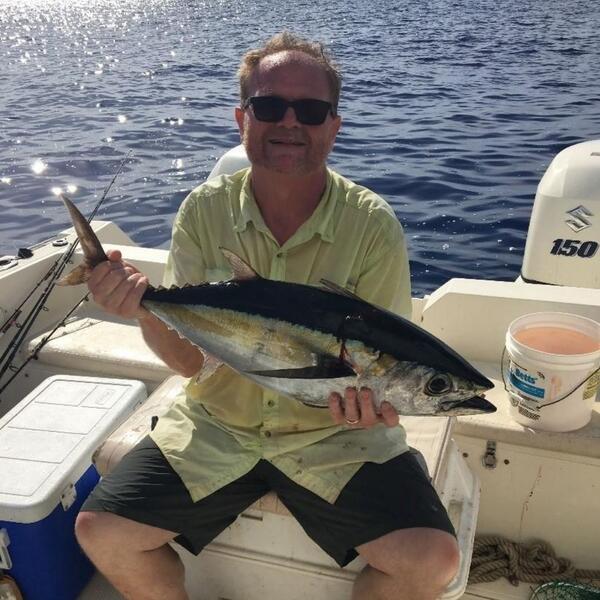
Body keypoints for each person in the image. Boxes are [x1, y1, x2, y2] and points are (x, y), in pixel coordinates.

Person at [75, 32, 459, 600]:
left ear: (334, 125)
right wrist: (141, 308)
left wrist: (371, 411)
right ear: (241, 118)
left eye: (310, 109)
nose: (289, 122)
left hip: (332, 434)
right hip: (218, 425)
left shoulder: (372, 226)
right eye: (269, 105)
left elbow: (386, 361)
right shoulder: (204, 211)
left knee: (432, 562)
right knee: (101, 532)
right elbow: (188, 364)